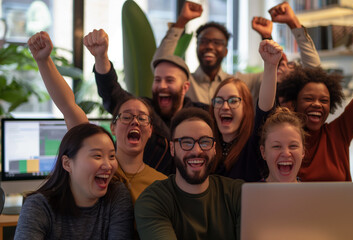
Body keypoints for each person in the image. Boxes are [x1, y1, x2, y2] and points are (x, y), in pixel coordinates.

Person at [27, 31, 167, 204]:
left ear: (151, 129)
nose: (135, 121)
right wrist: (43, 60)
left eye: (142, 117)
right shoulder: (99, 167)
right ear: (113, 126)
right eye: (126, 116)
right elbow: (69, 107)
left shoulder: (162, 184)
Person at [86, 29, 208, 175]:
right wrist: (101, 57)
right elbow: (111, 91)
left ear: (185, 87)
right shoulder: (142, 109)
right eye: (157, 80)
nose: (162, 86)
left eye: (169, 80)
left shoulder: (203, 115)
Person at [153, 1, 321, 104]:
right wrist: (181, 22)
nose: (210, 46)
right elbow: (160, 64)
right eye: (203, 41)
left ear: (226, 51)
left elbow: (312, 74)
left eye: (217, 43)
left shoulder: (242, 83)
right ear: (196, 47)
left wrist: (292, 24)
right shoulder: (185, 83)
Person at [134, 107, 243, 240]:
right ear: (173, 148)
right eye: (186, 142)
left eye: (204, 142)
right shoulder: (153, 200)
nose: (196, 151)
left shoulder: (238, 194)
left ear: (214, 148)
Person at [14, 123, 134, 239]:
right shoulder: (39, 205)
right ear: (67, 163)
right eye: (97, 156)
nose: (108, 165)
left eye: (112, 156)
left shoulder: (117, 195)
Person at [210, 39, 283, 181]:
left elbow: (265, 109)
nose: (225, 107)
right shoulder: (207, 144)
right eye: (219, 101)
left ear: (246, 108)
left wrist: (270, 65)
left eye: (233, 101)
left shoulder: (254, 144)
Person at [278, 66, 353, 181]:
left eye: (324, 100)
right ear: (294, 103)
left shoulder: (339, 133)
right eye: (308, 99)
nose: (317, 104)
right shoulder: (281, 139)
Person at [251, 1, 321, 103]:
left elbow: (315, 73)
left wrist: (293, 22)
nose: (283, 63)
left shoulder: (301, 106)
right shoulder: (265, 100)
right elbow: (275, 61)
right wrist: (267, 36)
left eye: (290, 66)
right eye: (287, 64)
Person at [259, 107, 307, 182]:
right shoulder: (249, 193)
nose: (286, 153)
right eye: (276, 146)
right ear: (263, 152)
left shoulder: (312, 193)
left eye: (293, 146)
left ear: (303, 151)